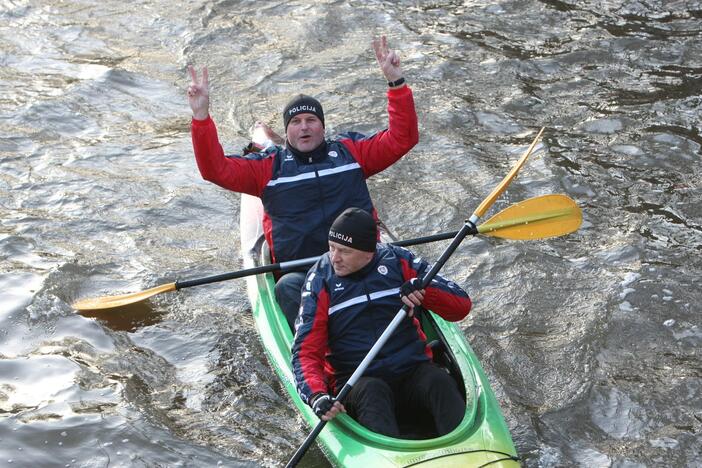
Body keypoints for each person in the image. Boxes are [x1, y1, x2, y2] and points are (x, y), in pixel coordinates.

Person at [187, 36, 419, 330]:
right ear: (288, 132)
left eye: (311, 120)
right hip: (302, 274)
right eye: (296, 123)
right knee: (287, 289)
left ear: (323, 127)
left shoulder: (351, 153)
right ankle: (315, 354)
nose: (304, 126)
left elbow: (403, 138)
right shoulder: (267, 168)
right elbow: (214, 170)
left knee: (399, 271)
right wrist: (201, 117)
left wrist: (396, 83)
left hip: (362, 263)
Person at [291, 208, 471, 438]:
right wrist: (316, 395)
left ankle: (467, 449)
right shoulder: (320, 280)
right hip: (356, 381)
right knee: (373, 391)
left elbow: (461, 306)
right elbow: (304, 352)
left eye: (344, 251)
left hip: (411, 370)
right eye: (331, 247)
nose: (334, 257)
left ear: (369, 252)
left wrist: (424, 289)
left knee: (439, 380)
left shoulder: (399, 260)